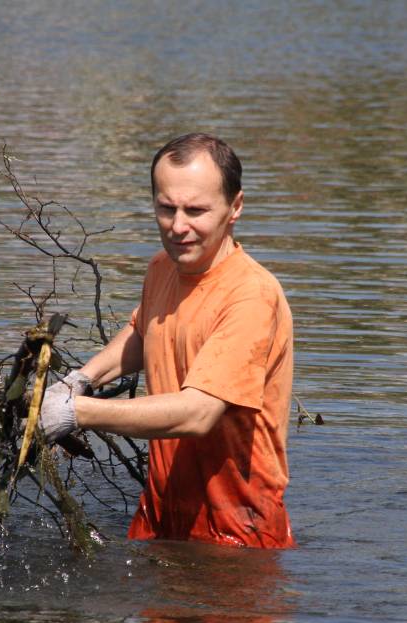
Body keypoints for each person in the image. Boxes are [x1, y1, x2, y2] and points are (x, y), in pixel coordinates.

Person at [40, 133, 295, 548]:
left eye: (195, 211)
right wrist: (79, 380)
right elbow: (146, 331)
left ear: (235, 207)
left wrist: (76, 412)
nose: (178, 227)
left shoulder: (251, 295)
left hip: (237, 531)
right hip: (160, 514)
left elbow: (198, 413)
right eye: (166, 208)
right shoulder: (163, 267)